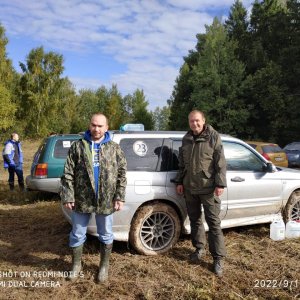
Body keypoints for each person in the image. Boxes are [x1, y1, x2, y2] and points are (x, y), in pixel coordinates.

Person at [60, 113, 127, 283]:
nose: (96, 129)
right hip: (82, 198)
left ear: (106, 127)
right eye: (93, 125)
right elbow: (68, 172)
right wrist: (68, 195)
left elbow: (121, 174)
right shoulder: (78, 146)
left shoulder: (114, 148)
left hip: (106, 199)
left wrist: (119, 196)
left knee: (105, 234)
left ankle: (103, 267)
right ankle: (76, 266)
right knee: (77, 233)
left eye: (100, 126)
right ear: (90, 125)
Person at [175, 110, 227, 277]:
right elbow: (182, 164)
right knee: (195, 220)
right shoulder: (186, 139)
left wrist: (220, 183)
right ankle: (199, 249)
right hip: (190, 188)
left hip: (209, 188)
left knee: (213, 224)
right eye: (191, 121)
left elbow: (220, 162)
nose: (194, 124)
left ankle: (218, 258)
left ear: (203, 120)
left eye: (197, 121)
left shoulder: (213, 136)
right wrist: (179, 181)